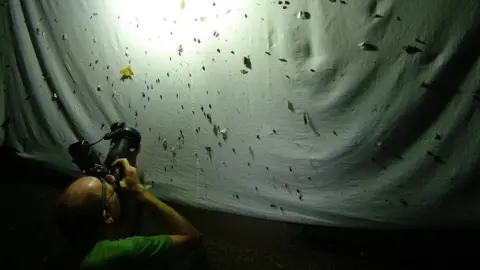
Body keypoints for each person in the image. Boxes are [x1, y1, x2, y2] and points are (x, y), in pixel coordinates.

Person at [56, 158, 202, 269]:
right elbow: (192, 237)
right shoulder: (125, 250)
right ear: (107, 216)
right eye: (112, 192)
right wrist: (140, 192)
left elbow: (117, 234)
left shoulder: (69, 251)